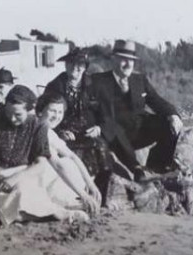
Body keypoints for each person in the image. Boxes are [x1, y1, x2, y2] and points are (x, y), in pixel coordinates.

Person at [0, 85, 91, 226]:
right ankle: (54, 214)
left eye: (18, 115)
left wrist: (15, 178)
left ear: (30, 111)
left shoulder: (38, 125)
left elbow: (41, 162)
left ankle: (57, 213)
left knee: (23, 193)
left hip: (22, 173)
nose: (12, 118)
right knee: (5, 204)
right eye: (8, 113)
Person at [88, 39, 184, 180]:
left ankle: (157, 166)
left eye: (131, 60)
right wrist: (94, 126)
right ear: (114, 59)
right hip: (112, 136)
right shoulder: (97, 81)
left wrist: (173, 115)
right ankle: (137, 170)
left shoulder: (139, 80)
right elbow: (87, 107)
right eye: (123, 60)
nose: (128, 64)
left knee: (169, 124)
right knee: (112, 127)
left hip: (137, 133)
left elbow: (156, 101)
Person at [41, 46, 116, 187]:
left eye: (80, 64)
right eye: (71, 63)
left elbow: (108, 116)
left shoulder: (96, 85)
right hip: (64, 134)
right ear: (65, 65)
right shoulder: (54, 86)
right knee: (65, 161)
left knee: (103, 154)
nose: (75, 67)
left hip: (89, 133)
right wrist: (60, 132)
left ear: (85, 67)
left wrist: (99, 128)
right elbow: (46, 116)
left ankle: (101, 197)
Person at [38, 93, 104, 215]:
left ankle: (68, 201)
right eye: (52, 111)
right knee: (65, 164)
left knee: (70, 162)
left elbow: (73, 156)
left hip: (47, 174)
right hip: (37, 177)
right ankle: (64, 204)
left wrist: (91, 185)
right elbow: (58, 165)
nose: (56, 116)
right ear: (40, 111)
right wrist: (84, 194)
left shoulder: (50, 132)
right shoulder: (40, 130)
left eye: (60, 112)